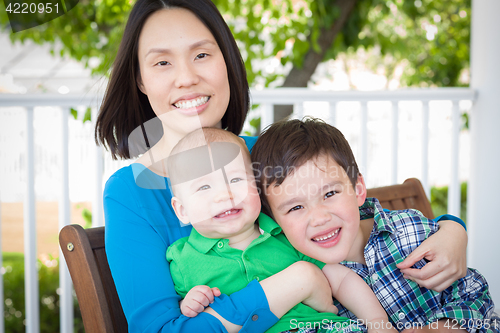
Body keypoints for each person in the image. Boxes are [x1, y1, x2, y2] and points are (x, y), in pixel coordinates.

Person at [94, 0, 469, 331]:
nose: (187, 77)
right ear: (140, 80)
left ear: (227, 61)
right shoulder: (132, 191)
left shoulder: (266, 152)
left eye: (202, 55)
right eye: (162, 62)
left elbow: (355, 211)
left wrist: (452, 231)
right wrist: (298, 280)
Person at [250, 117, 496, 333]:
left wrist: (448, 328)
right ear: (274, 222)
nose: (319, 218)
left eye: (329, 194)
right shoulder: (295, 283)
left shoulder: (410, 232)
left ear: (358, 190)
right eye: (295, 208)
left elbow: (473, 290)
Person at [165, 127, 396, 333]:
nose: (224, 195)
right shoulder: (182, 259)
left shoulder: (286, 235)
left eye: (236, 179)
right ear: (182, 210)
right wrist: (190, 303)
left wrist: (379, 323)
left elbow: (343, 280)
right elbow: (184, 317)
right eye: (204, 186)